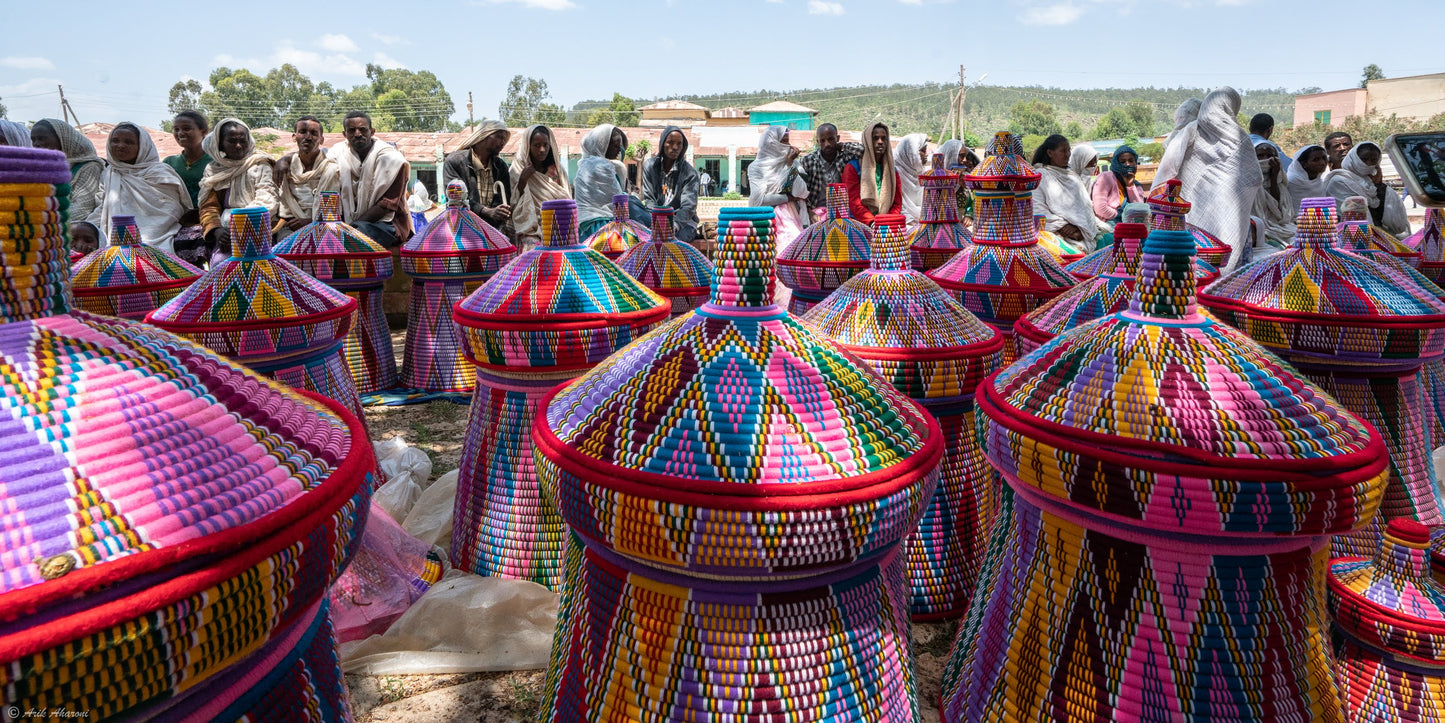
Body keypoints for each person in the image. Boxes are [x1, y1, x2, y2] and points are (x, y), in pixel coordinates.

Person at [1151, 87, 1262, 270]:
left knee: (1194, 255)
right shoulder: (1237, 137)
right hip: (1219, 208)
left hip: (1191, 205)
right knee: (1218, 252)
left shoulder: (1188, 133)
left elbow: (1167, 171)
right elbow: (1253, 177)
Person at [93, 122, 192, 253]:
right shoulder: (110, 173)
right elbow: (102, 206)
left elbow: (171, 209)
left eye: (129, 142)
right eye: (115, 141)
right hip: (115, 235)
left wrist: (142, 231)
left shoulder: (160, 172)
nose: (120, 146)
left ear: (142, 146)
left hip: (157, 234)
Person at [197, 118, 278, 264]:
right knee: (222, 264)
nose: (239, 146)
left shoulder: (260, 164)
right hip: (226, 235)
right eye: (232, 141)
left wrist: (240, 226)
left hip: (257, 229)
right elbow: (208, 206)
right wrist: (216, 230)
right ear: (220, 144)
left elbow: (267, 199)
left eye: (243, 140)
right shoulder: (213, 170)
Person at [330, 111, 412, 247]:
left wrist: (350, 229)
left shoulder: (393, 160)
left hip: (386, 224)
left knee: (355, 236)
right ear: (344, 134)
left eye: (362, 129)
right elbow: (318, 165)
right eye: (351, 130)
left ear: (372, 131)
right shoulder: (336, 154)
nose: (357, 134)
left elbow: (386, 205)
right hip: (347, 224)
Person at [272, 115, 338, 237]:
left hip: (324, 226)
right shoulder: (284, 167)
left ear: (321, 139)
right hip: (289, 226)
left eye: (313, 133)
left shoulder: (331, 168)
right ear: (294, 137)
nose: (308, 137)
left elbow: (333, 210)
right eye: (302, 132)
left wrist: (310, 222)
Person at [1327, 141, 1410, 236]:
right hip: (1353, 239)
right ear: (1353, 158)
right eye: (1364, 159)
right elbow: (1355, 221)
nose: (1368, 164)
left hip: (1381, 239)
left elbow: (1398, 225)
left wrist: (1379, 186)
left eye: (1373, 160)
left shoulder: (1373, 183)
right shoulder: (1340, 182)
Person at [507, 124, 570, 247]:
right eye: (537, 146)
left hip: (557, 224)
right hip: (530, 227)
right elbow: (512, 203)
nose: (542, 150)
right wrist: (523, 180)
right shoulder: (518, 169)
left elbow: (566, 198)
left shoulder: (557, 169)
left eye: (545, 145)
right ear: (528, 146)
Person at [31, 118, 105, 223]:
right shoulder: (42, 169)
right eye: (33, 140)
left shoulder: (88, 167)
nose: (36, 144)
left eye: (42, 139)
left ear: (62, 140)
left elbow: (81, 210)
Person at [441, 120, 512, 230]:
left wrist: (498, 212)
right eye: (499, 137)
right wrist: (486, 211)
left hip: (491, 229)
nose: (502, 142)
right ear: (483, 136)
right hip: (462, 228)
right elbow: (456, 198)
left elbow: (504, 197)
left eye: (504, 139)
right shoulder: (455, 162)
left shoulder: (500, 166)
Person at [1032, 134, 1101, 246]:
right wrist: (1064, 227)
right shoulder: (1040, 176)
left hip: (1084, 234)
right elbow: (1038, 209)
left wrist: (1080, 229)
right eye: (1063, 151)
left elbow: (1084, 206)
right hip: (1056, 235)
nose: (1068, 155)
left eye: (1069, 151)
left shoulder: (1072, 175)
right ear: (1050, 153)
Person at [162, 111, 211, 262]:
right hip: (176, 220)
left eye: (186, 128)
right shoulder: (169, 163)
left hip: (206, 219)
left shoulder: (215, 161)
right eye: (176, 129)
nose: (180, 133)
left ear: (203, 132)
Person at [642, 126, 702, 242]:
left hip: (681, 223)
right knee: (631, 202)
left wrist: (673, 225)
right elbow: (649, 199)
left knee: (672, 242)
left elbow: (688, 207)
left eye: (679, 144)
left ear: (683, 147)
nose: (675, 147)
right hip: (655, 219)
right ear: (662, 143)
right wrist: (658, 223)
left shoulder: (690, 173)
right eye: (670, 142)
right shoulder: (649, 166)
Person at [794, 123, 863, 218]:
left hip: (843, 213)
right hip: (816, 213)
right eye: (823, 140)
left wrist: (842, 146)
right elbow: (802, 192)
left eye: (831, 139)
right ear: (818, 142)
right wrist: (809, 212)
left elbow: (862, 150)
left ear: (837, 138)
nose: (827, 144)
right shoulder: (808, 161)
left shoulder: (845, 157)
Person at [575, 124, 632, 237]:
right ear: (603, 146)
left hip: (582, 226)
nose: (618, 151)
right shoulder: (602, 166)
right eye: (615, 146)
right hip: (601, 226)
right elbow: (618, 200)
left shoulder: (584, 165)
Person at [843, 122, 902, 225]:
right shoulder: (853, 168)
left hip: (885, 225)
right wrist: (871, 222)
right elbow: (854, 202)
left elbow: (897, 203)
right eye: (875, 138)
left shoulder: (893, 171)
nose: (880, 142)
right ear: (868, 141)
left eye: (883, 138)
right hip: (859, 225)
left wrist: (886, 222)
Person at [1091, 145, 1147, 229]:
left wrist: (1130, 186)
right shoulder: (1106, 178)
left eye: (1131, 161)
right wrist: (1119, 215)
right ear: (1116, 163)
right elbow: (1100, 208)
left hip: (1129, 226)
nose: (1128, 164)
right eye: (1123, 161)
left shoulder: (1136, 185)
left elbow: (1140, 211)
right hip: (1109, 226)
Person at [1251, 140, 1294, 248]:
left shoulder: (1280, 182)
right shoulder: (1247, 182)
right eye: (1260, 155)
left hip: (1277, 225)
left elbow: (1281, 213)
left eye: (1270, 155)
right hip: (1257, 227)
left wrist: (1274, 178)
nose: (1266, 159)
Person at [893, 133, 929, 225]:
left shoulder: (922, 173)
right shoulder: (895, 173)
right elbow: (897, 207)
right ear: (912, 152)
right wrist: (913, 225)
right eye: (923, 151)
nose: (926, 155)